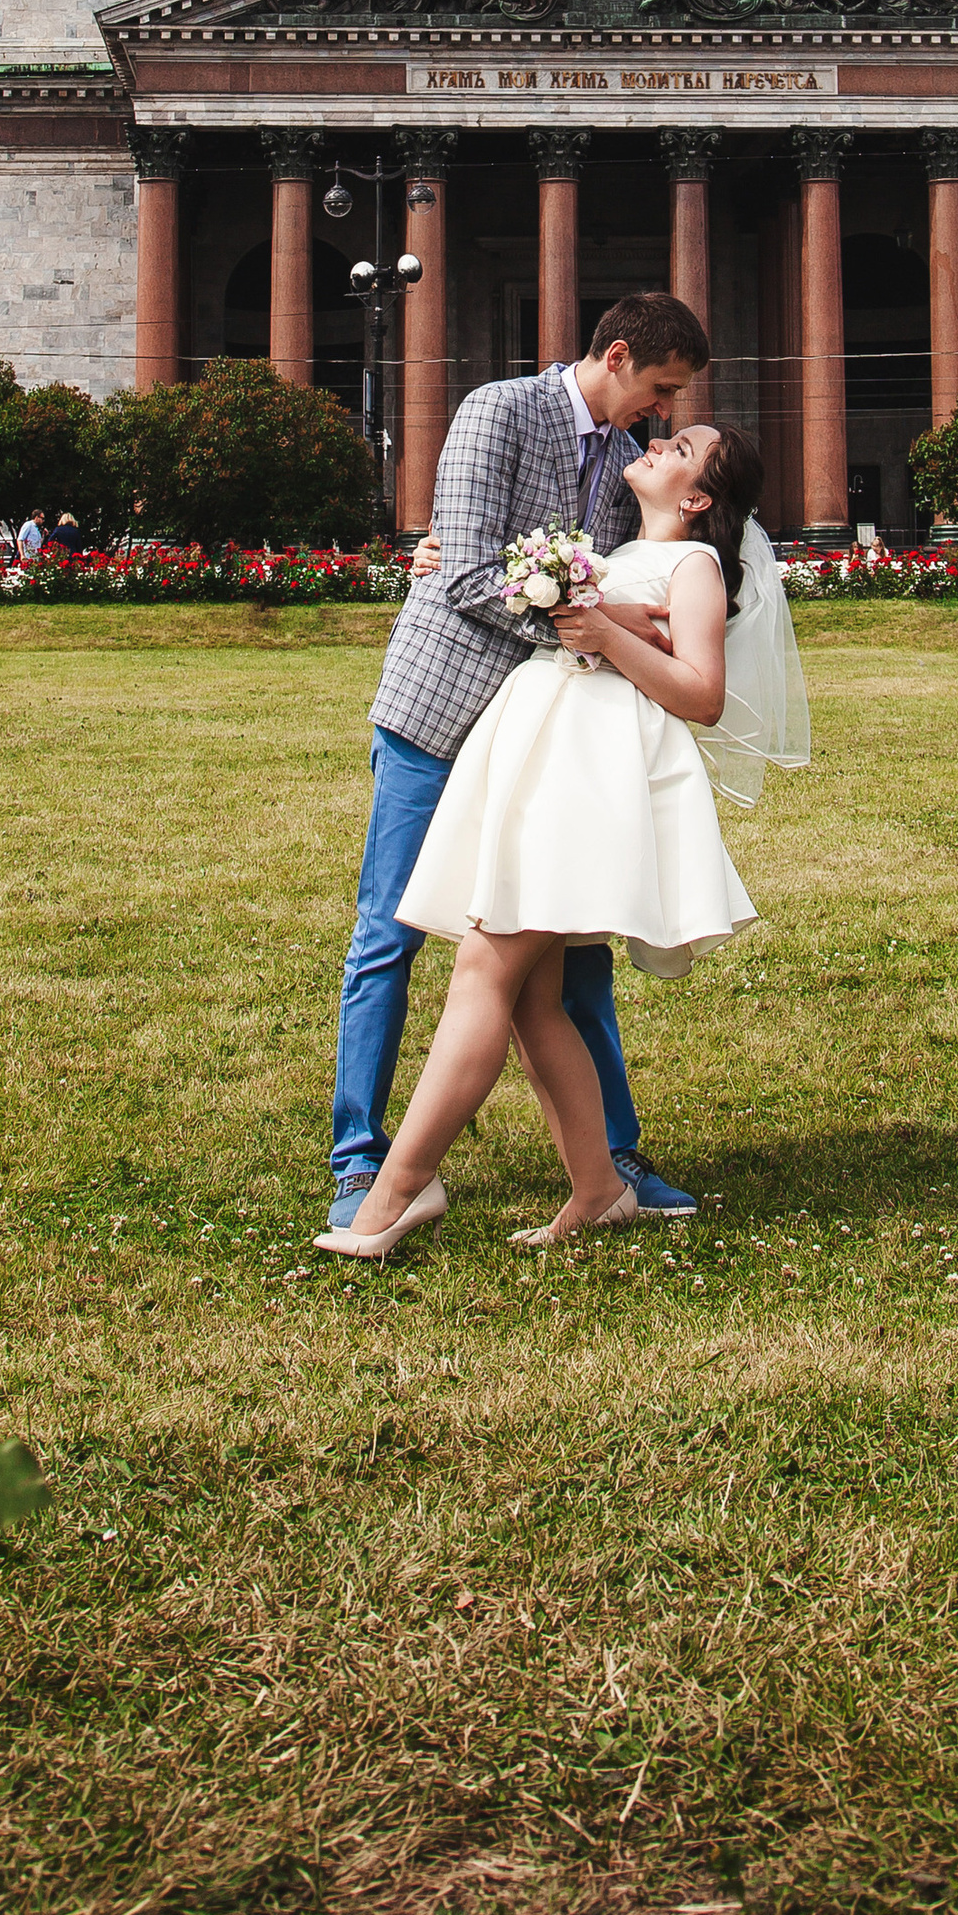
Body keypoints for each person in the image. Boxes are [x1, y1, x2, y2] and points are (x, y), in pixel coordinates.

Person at [319, 422, 807, 1260]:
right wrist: (452, 560)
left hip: (590, 776)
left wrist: (608, 633)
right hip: (547, 756)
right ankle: (598, 1187)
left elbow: (703, 695)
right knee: (533, 1002)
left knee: (483, 970)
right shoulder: (613, 550)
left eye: (681, 447)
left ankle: (399, 1186)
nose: (657, 440)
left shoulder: (692, 567)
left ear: (696, 498)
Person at [327, 292, 711, 1236]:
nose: (662, 412)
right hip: (440, 710)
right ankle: (359, 1158)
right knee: (389, 935)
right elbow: (461, 571)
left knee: (574, 958)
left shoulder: (632, 464)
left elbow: (640, 586)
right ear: (617, 356)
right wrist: (591, 619)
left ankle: (611, 1158)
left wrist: (609, 616)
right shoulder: (498, 410)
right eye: (659, 387)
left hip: (544, 740)